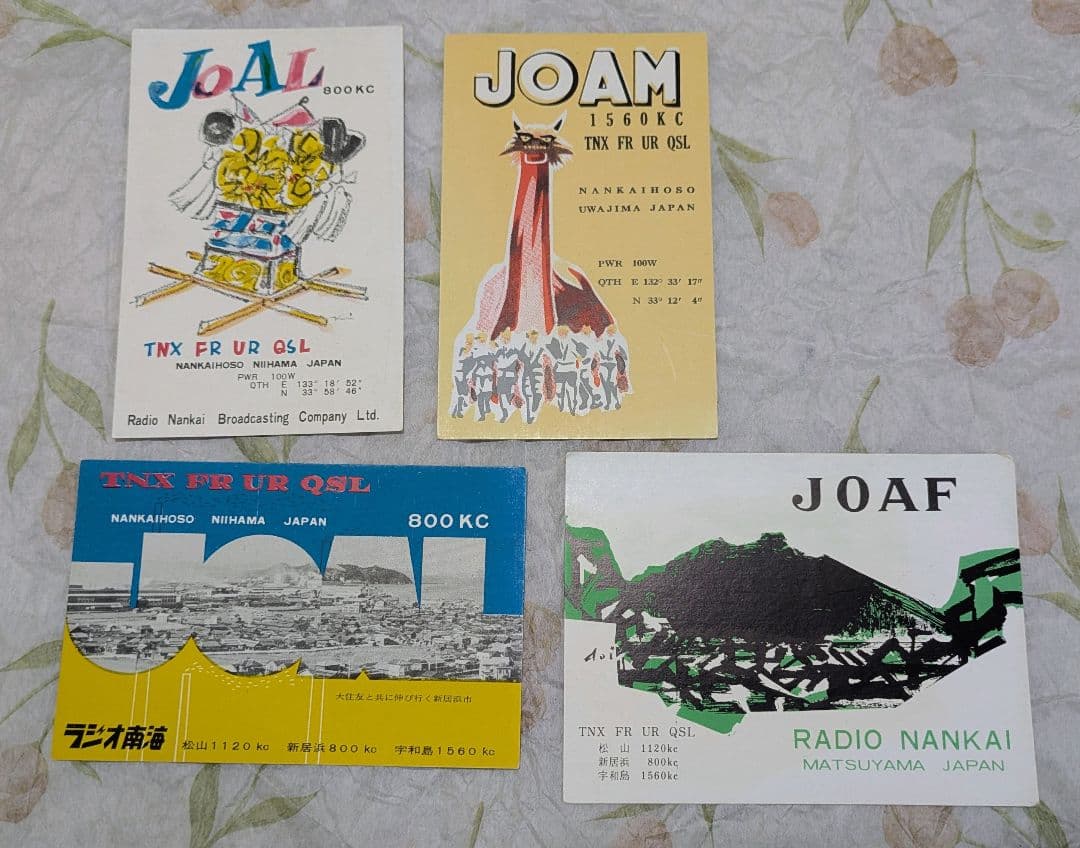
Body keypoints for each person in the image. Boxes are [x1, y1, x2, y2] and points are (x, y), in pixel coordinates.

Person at [597, 322, 630, 411]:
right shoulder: (601, 341)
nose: (609, 333)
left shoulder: (618, 341)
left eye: (611, 331)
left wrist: (619, 358)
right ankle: (608, 402)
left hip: (613, 366)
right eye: (608, 331)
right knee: (605, 386)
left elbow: (624, 356)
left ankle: (616, 402)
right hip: (603, 366)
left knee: (613, 386)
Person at [547, 325, 579, 414]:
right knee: (559, 390)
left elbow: (580, 355)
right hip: (560, 369)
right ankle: (561, 407)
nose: (562, 334)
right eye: (560, 332)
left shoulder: (573, 342)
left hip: (571, 369)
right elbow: (552, 355)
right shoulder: (554, 342)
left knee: (571, 390)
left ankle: (572, 407)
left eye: (564, 332)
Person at [450, 333, 477, 418]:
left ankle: (458, 411)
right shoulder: (461, 351)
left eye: (470, 343)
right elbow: (456, 363)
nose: (468, 344)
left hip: (467, 377)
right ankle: (454, 411)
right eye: (468, 342)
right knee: (458, 394)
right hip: (459, 376)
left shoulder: (473, 354)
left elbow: (473, 366)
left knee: (463, 395)